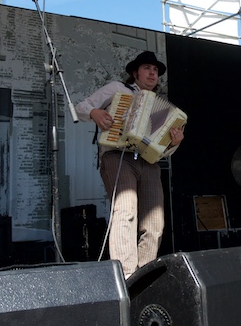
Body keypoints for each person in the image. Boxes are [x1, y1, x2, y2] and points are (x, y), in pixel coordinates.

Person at [76, 51, 184, 279]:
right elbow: (81, 107)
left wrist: (174, 143)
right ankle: (125, 275)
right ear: (135, 73)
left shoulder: (163, 108)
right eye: (147, 68)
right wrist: (95, 112)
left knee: (155, 221)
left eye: (155, 70)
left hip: (147, 161)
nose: (152, 73)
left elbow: (162, 151)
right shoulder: (118, 89)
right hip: (117, 155)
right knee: (126, 211)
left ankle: (143, 276)